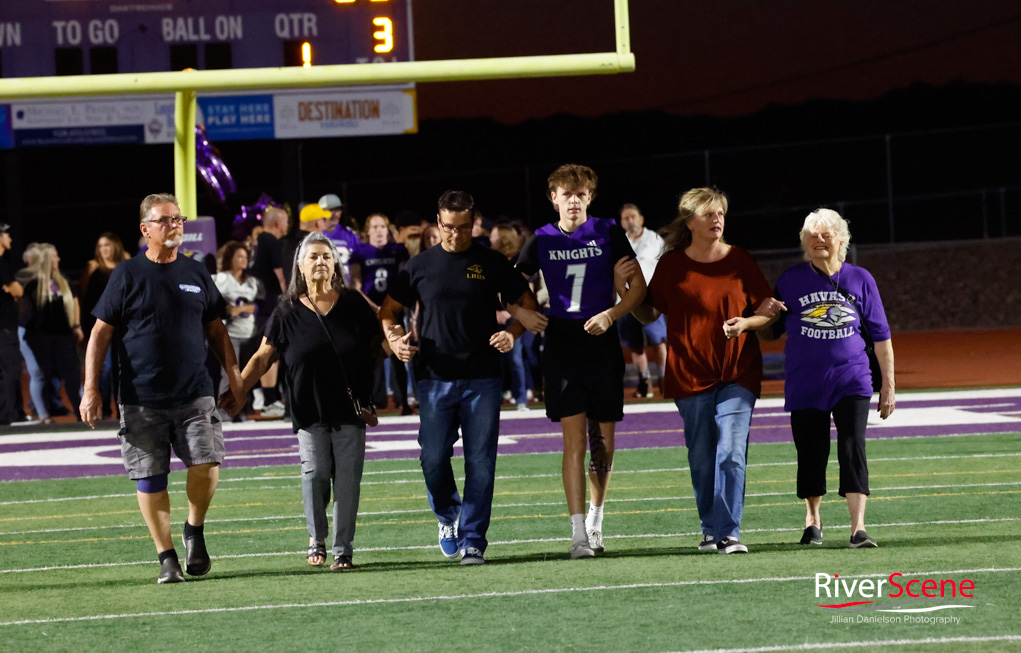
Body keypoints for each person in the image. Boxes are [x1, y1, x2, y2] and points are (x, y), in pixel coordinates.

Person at [80, 193, 243, 584]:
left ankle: (194, 529)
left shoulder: (196, 272)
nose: (174, 226)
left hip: (195, 391)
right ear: (145, 229)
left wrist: (234, 376)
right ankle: (166, 556)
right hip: (141, 397)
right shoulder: (126, 274)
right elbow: (100, 334)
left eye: (178, 219)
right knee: (150, 476)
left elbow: (216, 329)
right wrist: (91, 389)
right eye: (165, 220)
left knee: (207, 463)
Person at [378, 190, 535, 566]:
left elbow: (528, 306)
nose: (456, 234)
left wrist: (512, 333)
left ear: (474, 224)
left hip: (483, 377)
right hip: (434, 377)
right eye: (449, 227)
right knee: (432, 458)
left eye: (464, 228)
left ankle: (474, 540)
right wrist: (395, 341)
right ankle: (449, 515)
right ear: (438, 222)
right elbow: (388, 312)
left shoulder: (492, 262)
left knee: (481, 462)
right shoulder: (418, 266)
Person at [225, 231, 383, 571]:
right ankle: (317, 537)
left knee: (347, 482)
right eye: (313, 256)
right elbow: (262, 358)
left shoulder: (353, 303)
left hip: (350, 407)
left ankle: (343, 550)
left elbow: (379, 341)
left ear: (335, 263)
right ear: (300, 265)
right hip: (308, 406)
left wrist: (397, 345)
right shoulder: (286, 311)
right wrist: (238, 390)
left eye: (326, 256)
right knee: (315, 474)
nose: (320, 261)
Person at [515, 164, 646, 559]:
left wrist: (613, 313)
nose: (573, 200)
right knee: (572, 442)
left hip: (601, 340)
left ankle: (596, 518)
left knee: (602, 442)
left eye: (580, 193)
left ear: (590, 197)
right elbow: (510, 285)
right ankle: (577, 535)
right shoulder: (540, 238)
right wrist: (522, 315)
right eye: (566, 193)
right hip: (563, 342)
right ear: (553, 197)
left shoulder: (608, 231)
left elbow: (639, 287)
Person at [745, 208, 895, 548]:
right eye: (812, 236)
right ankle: (813, 520)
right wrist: (759, 317)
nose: (819, 240)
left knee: (853, 447)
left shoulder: (861, 279)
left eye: (826, 235)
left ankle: (858, 527)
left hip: (852, 378)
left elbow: (882, 337)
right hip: (806, 380)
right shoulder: (791, 280)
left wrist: (888, 386)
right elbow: (770, 332)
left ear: (841, 240)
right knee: (811, 451)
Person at [635, 187, 772, 555]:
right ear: (690, 222)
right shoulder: (672, 265)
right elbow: (649, 312)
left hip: (738, 372)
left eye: (721, 213)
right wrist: (625, 292)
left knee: (731, 452)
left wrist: (749, 322)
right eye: (709, 214)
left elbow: (766, 309)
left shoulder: (740, 260)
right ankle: (711, 530)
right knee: (701, 457)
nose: (717, 219)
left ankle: (729, 533)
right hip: (689, 374)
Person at [351, 213, 412, 414]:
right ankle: (373, 401)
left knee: (397, 355)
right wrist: (374, 307)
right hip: (369, 311)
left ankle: (403, 400)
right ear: (367, 231)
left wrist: (389, 306)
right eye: (374, 227)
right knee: (371, 357)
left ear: (388, 230)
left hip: (393, 309)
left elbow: (404, 281)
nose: (378, 231)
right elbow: (355, 285)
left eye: (382, 227)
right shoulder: (360, 252)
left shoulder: (398, 250)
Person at [19, 243, 83, 421]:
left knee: (72, 374)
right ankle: (43, 415)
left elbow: (74, 301)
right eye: (55, 256)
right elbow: (24, 313)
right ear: (46, 259)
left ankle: (82, 413)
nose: (58, 259)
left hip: (63, 335)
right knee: (41, 375)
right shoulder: (32, 283)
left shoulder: (62, 279)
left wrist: (76, 326)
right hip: (41, 336)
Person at [618, 203, 667, 398]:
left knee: (658, 342)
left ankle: (664, 380)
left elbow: (666, 265)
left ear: (641, 219)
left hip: (650, 299)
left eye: (633, 217)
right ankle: (644, 383)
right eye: (626, 218)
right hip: (626, 300)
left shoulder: (654, 239)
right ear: (622, 223)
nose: (630, 221)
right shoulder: (619, 242)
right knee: (634, 344)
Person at [81, 232, 131, 419]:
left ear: (115, 247)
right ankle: (102, 411)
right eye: (100, 246)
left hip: (125, 331)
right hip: (103, 329)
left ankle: (121, 410)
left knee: (122, 370)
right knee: (104, 369)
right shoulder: (97, 273)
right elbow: (88, 303)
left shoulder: (127, 269)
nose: (104, 250)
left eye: (107, 245)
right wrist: (86, 329)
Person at [212, 241, 263, 416]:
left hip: (250, 334)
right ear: (230, 259)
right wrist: (226, 310)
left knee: (247, 376)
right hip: (229, 333)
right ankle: (224, 413)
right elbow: (211, 302)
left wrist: (247, 308)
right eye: (239, 256)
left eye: (246, 257)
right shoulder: (221, 279)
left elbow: (263, 305)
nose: (244, 260)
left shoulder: (252, 282)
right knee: (229, 375)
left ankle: (243, 411)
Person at [0, 223, 24, 426]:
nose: (10, 239)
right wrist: (12, 289)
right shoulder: (1, 263)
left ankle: (8, 413)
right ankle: (10, 414)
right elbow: (18, 291)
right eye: (7, 234)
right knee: (11, 369)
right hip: (5, 326)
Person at [319, 193, 362, 284]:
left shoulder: (350, 235)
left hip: (345, 287)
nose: (335, 214)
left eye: (338, 210)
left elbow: (356, 267)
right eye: (331, 210)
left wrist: (356, 287)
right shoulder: (315, 235)